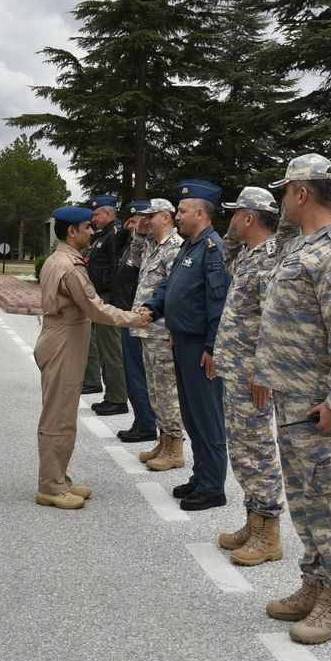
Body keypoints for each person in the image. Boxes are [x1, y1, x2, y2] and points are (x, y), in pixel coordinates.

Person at [253, 153, 331, 645]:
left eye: (284, 191)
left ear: (300, 193)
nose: (280, 201)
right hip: (291, 400)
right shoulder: (301, 247)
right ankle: (314, 582)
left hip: (318, 407)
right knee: (303, 499)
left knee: (330, 500)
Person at [34, 205, 146, 509]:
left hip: (61, 338)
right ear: (72, 231)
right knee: (58, 417)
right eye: (87, 227)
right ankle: (50, 486)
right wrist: (135, 318)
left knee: (64, 414)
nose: (92, 231)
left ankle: (60, 479)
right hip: (63, 342)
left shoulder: (59, 259)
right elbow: (96, 308)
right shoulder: (69, 267)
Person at [143, 180, 231, 511]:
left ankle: (213, 486)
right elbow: (170, 285)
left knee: (207, 417)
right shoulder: (190, 246)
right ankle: (201, 475)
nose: (176, 216)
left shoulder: (212, 249)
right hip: (181, 343)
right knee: (192, 417)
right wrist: (153, 307)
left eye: (180, 211)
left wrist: (212, 347)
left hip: (199, 348)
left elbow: (218, 303)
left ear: (199, 212)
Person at [212, 186, 286, 566]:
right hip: (236, 368)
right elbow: (226, 253)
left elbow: (272, 321)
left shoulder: (270, 258)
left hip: (252, 374)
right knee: (241, 448)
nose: (230, 221)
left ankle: (269, 533)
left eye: (235, 214)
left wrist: (264, 369)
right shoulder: (246, 254)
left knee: (257, 450)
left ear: (249, 218)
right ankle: (252, 521)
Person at [131, 199, 187, 471]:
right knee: (154, 391)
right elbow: (137, 264)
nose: (146, 220)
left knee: (167, 392)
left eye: (151, 216)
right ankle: (164, 441)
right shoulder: (153, 246)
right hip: (147, 330)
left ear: (166, 217)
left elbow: (175, 292)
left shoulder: (175, 247)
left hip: (162, 331)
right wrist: (139, 234)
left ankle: (175, 447)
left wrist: (173, 330)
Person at [115, 199, 159, 444]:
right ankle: (141, 421)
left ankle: (146, 423)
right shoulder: (143, 244)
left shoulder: (162, 247)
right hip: (130, 317)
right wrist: (138, 234)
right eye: (136, 218)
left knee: (140, 376)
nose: (141, 221)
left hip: (144, 320)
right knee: (134, 375)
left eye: (146, 217)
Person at [82, 195, 128, 412]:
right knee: (103, 350)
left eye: (97, 214)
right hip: (101, 297)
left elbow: (116, 268)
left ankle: (118, 398)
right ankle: (111, 394)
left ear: (108, 213)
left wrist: (115, 302)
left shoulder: (116, 235)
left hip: (109, 298)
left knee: (111, 350)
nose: (93, 218)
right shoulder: (104, 235)